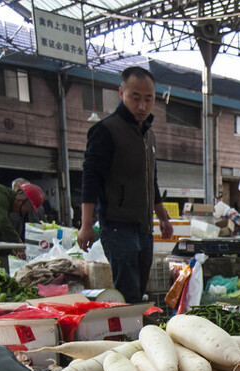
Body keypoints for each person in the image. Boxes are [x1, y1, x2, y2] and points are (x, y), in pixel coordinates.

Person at [77, 66, 174, 304]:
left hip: (143, 228)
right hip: (118, 227)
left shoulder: (147, 134)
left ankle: (137, 333)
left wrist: (162, 217)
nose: (142, 106)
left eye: (148, 99)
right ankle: (129, 337)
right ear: (121, 93)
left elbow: (151, 177)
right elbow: (91, 178)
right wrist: (86, 224)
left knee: (140, 290)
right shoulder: (105, 130)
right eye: (135, 97)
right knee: (128, 293)